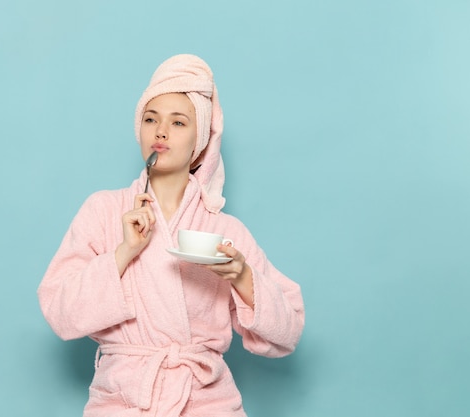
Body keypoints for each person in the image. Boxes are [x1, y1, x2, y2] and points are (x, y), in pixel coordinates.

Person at [38, 54, 305, 417]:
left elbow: (288, 330)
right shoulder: (102, 211)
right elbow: (59, 311)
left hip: (206, 402)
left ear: (200, 140)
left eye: (178, 122)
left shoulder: (224, 231)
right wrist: (123, 252)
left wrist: (243, 278)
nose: (160, 132)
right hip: (123, 401)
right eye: (151, 119)